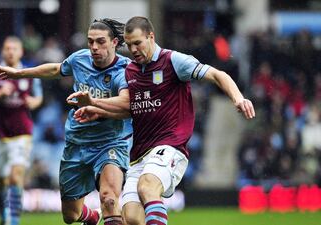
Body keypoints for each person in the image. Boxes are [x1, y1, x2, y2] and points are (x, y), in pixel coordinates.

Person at [70, 16, 256, 225]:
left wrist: (238, 98)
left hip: (170, 146)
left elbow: (217, 74)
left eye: (138, 43)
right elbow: (132, 110)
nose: (133, 50)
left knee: (147, 186)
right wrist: (100, 111)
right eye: (129, 45)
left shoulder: (173, 61)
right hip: (139, 154)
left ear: (151, 37)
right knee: (131, 217)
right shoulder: (130, 71)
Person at [0, 19, 132, 225]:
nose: (94, 47)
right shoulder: (79, 59)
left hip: (109, 142)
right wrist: (21, 73)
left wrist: (92, 103)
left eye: (100, 41)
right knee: (70, 215)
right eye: (90, 41)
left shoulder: (125, 70)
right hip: (77, 143)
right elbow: (56, 69)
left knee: (110, 199)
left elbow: (126, 103)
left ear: (115, 42)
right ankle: (91, 216)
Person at [0, 36, 43, 225]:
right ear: (2, 52)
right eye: (7, 48)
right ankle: (4, 214)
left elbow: (39, 97)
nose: (10, 52)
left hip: (22, 133)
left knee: (16, 175)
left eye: (14, 48)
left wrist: (33, 102)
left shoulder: (28, 73)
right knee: (2, 181)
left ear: (21, 52)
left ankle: (14, 219)